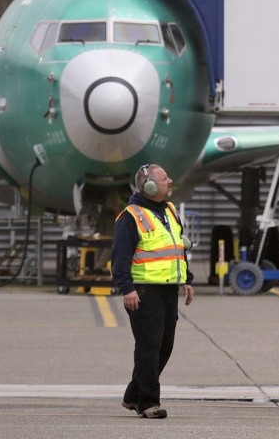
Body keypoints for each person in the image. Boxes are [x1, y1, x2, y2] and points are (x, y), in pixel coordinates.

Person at [111, 163, 195, 419]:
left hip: (168, 289)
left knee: (164, 347)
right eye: (164, 178)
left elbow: (178, 247)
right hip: (144, 292)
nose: (170, 181)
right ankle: (148, 403)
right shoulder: (131, 216)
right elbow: (119, 258)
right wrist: (127, 289)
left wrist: (187, 279)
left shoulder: (169, 210)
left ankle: (132, 395)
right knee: (148, 348)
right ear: (149, 186)